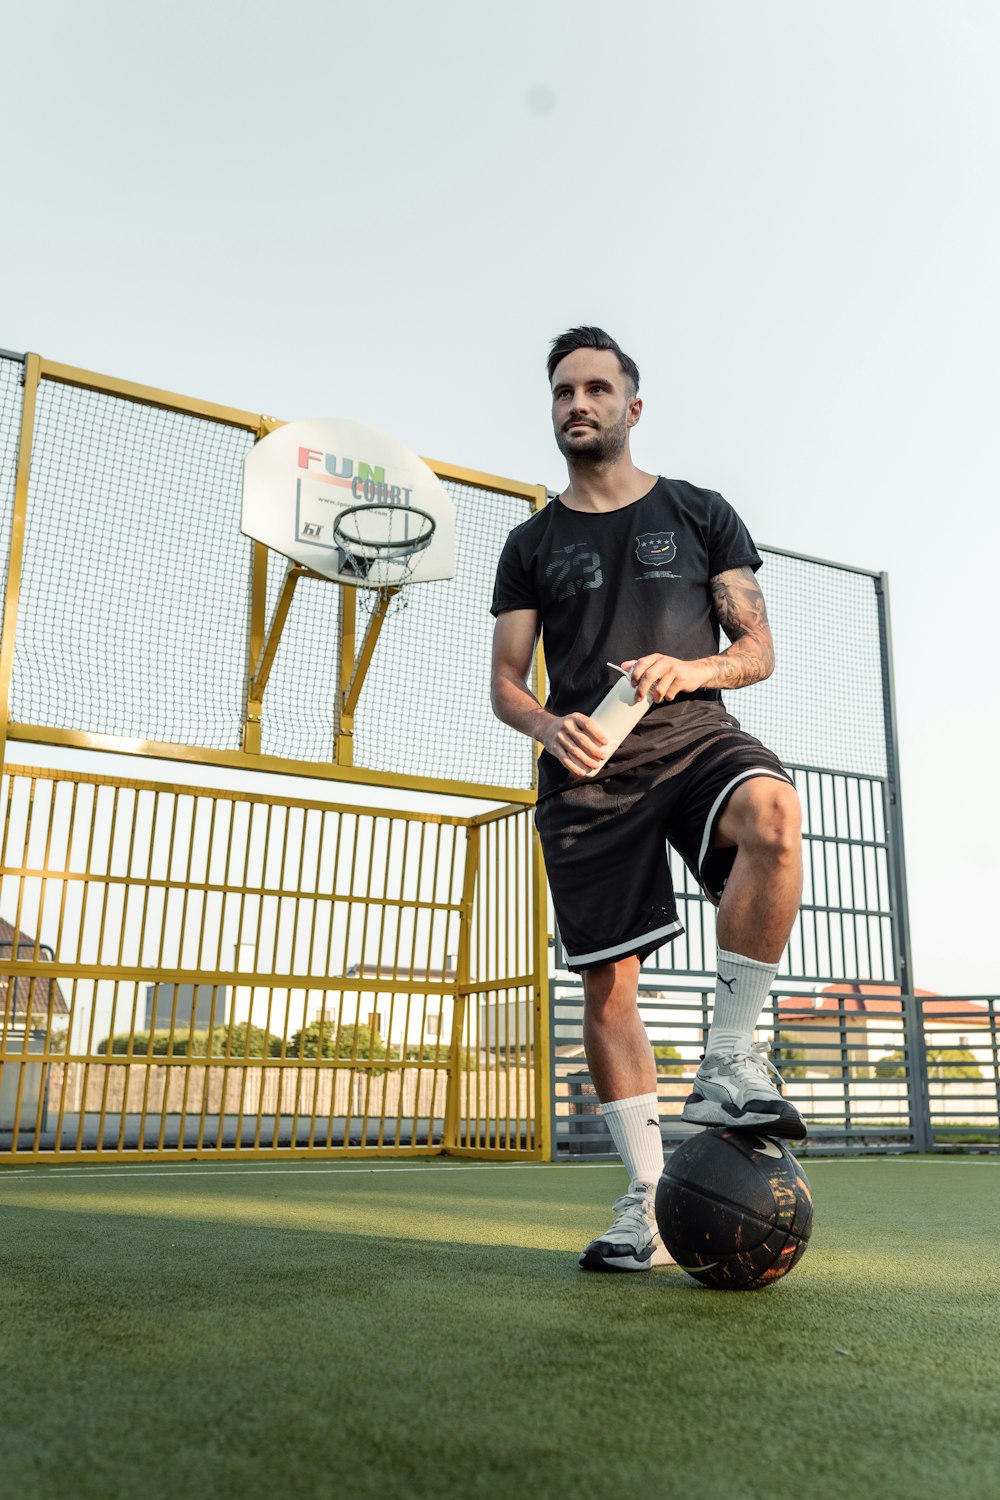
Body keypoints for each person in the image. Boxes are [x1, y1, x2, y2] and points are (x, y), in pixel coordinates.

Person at [490, 326, 804, 1273]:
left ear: (633, 406)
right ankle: (645, 1202)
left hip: (693, 734)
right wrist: (550, 726)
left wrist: (689, 666)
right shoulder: (530, 542)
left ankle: (731, 1061)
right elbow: (506, 681)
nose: (576, 404)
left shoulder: (700, 511)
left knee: (775, 820)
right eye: (561, 392)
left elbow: (758, 651)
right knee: (607, 986)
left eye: (595, 388)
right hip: (587, 772)